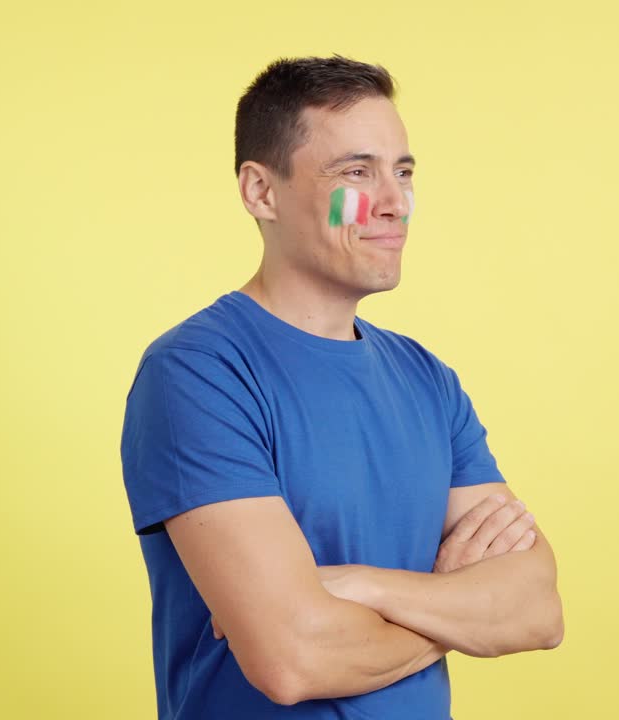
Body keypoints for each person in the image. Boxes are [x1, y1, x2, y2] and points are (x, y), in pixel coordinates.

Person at [119, 55, 563, 719]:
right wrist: (453, 605)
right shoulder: (197, 373)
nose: (394, 203)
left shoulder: (427, 380)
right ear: (261, 192)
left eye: (403, 172)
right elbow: (293, 659)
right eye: (357, 172)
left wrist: (360, 588)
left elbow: (536, 609)